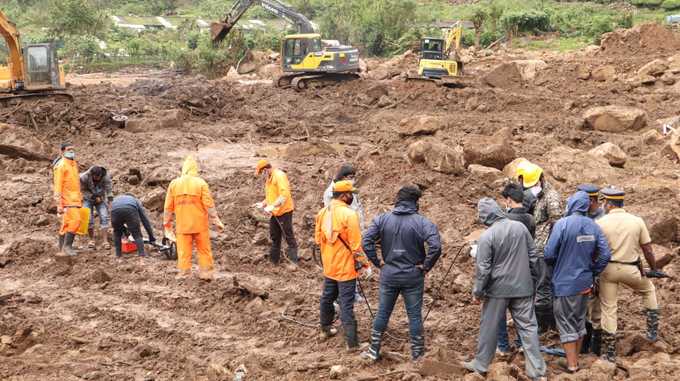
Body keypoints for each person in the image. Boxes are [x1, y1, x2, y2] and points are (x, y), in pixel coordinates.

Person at [463, 198, 546, 381]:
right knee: (528, 328)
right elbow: (534, 257)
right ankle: (537, 372)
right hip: (523, 288)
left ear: (484, 216)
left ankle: (481, 364)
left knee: (489, 327)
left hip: (497, 290)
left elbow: (483, 270)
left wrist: (478, 292)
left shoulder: (487, 236)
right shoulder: (520, 228)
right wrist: (534, 281)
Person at [360, 185, 442, 362]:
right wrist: (426, 266)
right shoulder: (422, 222)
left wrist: (378, 262)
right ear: (415, 202)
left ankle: (373, 351)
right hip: (413, 274)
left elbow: (366, 241)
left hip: (389, 273)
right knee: (414, 316)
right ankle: (417, 355)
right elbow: (436, 246)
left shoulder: (382, 219)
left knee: (382, 312)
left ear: (397, 200)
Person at [544, 191, 611, 373]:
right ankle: (576, 360)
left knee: (565, 323)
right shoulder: (594, 226)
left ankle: (572, 365)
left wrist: (557, 262)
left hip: (564, 284)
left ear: (572, 204)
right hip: (584, 283)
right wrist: (593, 271)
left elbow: (549, 253)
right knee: (579, 322)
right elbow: (605, 254)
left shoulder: (562, 225)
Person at [596, 187, 660, 362]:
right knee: (648, 290)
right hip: (631, 269)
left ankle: (609, 352)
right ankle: (652, 331)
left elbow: (595, 250)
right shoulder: (637, 221)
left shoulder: (601, 222)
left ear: (608, 204)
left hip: (608, 270)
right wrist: (653, 269)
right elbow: (647, 248)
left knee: (609, 307)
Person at [315, 180, 369, 348]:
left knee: (327, 297)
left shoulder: (322, 212)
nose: (352, 196)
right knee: (346, 303)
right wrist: (365, 265)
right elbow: (355, 245)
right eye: (351, 194)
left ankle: (325, 329)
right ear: (345, 196)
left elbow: (318, 240)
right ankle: (352, 343)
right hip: (345, 268)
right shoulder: (349, 215)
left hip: (329, 266)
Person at [516, 160, 563, 333]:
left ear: (541, 180)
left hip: (545, 250)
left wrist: (552, 248)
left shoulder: (551, 197)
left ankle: (544, 324)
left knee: (543, 285)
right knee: (535, 284)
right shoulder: (533, 194)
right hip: (534, 247)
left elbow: (557, 224)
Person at [164, 156, 224, 281]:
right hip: (200, 225)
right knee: (204, 250)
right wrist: (216, 220)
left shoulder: (174, 184)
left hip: (182, 226)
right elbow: (209, 205)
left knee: (183, 252)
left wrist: (167, 225)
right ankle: (206, 273)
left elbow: (168, 208)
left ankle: (184, 274)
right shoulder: (201, 183)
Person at [497, 182, 536, 354]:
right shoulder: (530, 219)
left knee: (499, 313)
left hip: (504, 272)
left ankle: (503, 346)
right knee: (523, 313)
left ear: (509, 200)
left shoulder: (504, 220)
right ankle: (522, 344)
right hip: (524, 271)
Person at [575, 183, 604, 355]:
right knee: (583, 309)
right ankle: (584, 347)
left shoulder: (602, 220)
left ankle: (596, 348)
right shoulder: (581, 217)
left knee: (596, 310)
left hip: (595, 269)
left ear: (591, 201)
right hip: (581, 269)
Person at [254, 159, 298, 265]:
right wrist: (263, 203)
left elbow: (284, 195)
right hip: (275, 212)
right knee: (275, 237)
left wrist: (273, 205)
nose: (262, 175)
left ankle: (294, 263)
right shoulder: (269, 178)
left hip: (284, 212)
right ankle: (273, 262)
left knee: (288, 236)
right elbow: (272, 195)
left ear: (265, 170)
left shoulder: (279, 176)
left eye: (262, 173)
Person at [53, 142, 82, 256]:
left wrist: (80, 197)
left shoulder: (73, 164)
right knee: (75, 221)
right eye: (69, 149)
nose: (71, 151)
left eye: (73, 149)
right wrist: (59, 204)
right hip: (67, 200)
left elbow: (76, 183)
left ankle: (62, 248)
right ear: (62, 151)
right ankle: (67, 246)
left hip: (75, 199)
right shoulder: (61, 165)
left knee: (66, 224)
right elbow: (57, 186)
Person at [111, 194, 156, 258]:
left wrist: (125, 230)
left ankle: (118, 255)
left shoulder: (116, 199)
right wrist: (151, 237)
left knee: (117, 233)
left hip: (114, 211)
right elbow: (145, 220)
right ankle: (141, 255)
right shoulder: (135, 200)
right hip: (130, 209)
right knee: (137, 234)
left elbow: (117, 223)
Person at [80, 165, 113, 249]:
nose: (97, 179)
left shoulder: (106, 177)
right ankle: (91, 240)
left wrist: (110, 204)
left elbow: (109, 190)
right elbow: (82, 190)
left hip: (101, 198)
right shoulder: (84, 177)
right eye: (95, 177)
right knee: (88, 218)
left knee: (104, 216)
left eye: (99, 177)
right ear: (91, 175)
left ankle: (105, 241)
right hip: (87, 198)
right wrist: (93, 196)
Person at [323, 163, 365, 229]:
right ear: (343, 177)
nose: (353, 179)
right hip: (342, 229)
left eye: (354, 177)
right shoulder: (330, 192)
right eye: (351, 177)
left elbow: (357, 207)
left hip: (354, 226)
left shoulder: (350, 189)